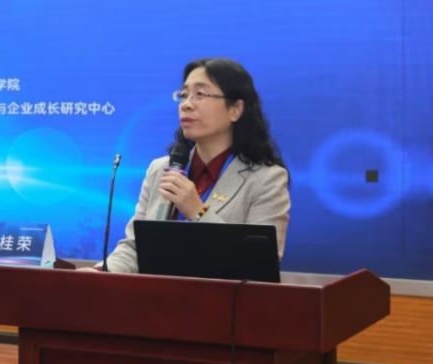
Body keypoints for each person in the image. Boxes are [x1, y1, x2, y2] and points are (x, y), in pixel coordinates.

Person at [100, 57, 290, 273]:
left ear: (235, 109)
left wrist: (198, 212)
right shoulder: (160, 170)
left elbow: (258, 265)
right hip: (154, 293)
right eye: (183, 95)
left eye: (200, 94)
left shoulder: (267, 179)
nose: (187, 105)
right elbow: (134, 248)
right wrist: (102, 273)